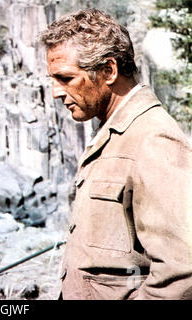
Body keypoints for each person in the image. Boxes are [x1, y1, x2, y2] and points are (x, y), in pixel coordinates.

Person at [40, 8, 192, 299]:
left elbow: (183, 270)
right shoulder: (114, 131)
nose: (56, 93)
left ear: (109, 71)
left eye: (66, 78)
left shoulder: (153, 139)